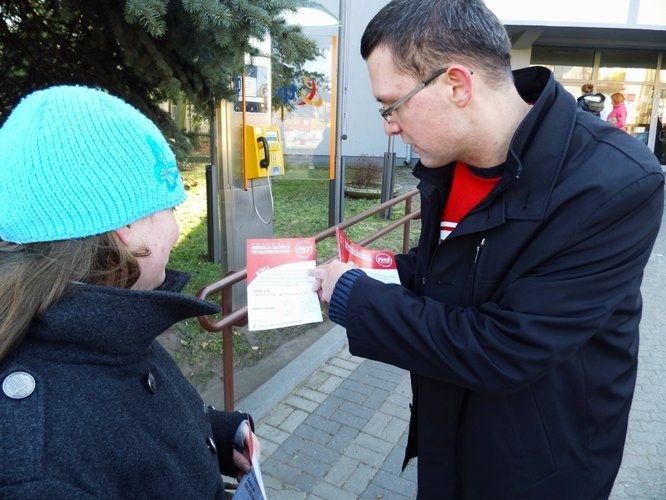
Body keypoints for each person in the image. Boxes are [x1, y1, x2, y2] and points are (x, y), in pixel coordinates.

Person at [308, 0, 664, 498]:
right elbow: (453, 273)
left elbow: (508, 347)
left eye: (392, 104)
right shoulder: (450, 161)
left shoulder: (613, 183)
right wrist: (370, 268)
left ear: (456, 85)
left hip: (539, 466)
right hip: (446, 433)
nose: (389, 126)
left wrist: (355, 296)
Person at [0, 85, 260, 498]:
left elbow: (138, 423)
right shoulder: (39, 470)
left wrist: (219, 433)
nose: (176, 230)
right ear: (126, 227)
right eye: (170, 208)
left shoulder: (96, 322)